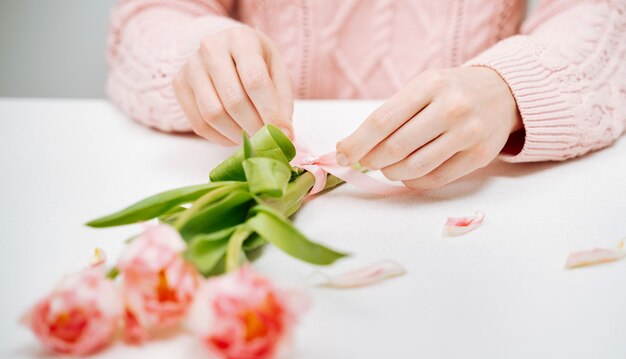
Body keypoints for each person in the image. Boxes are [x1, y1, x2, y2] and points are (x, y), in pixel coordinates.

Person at [107, 0, 625, 190]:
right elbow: (150, 17)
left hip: (474, 196)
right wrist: (198, 59)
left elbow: (601, 19)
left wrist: (509, 89)